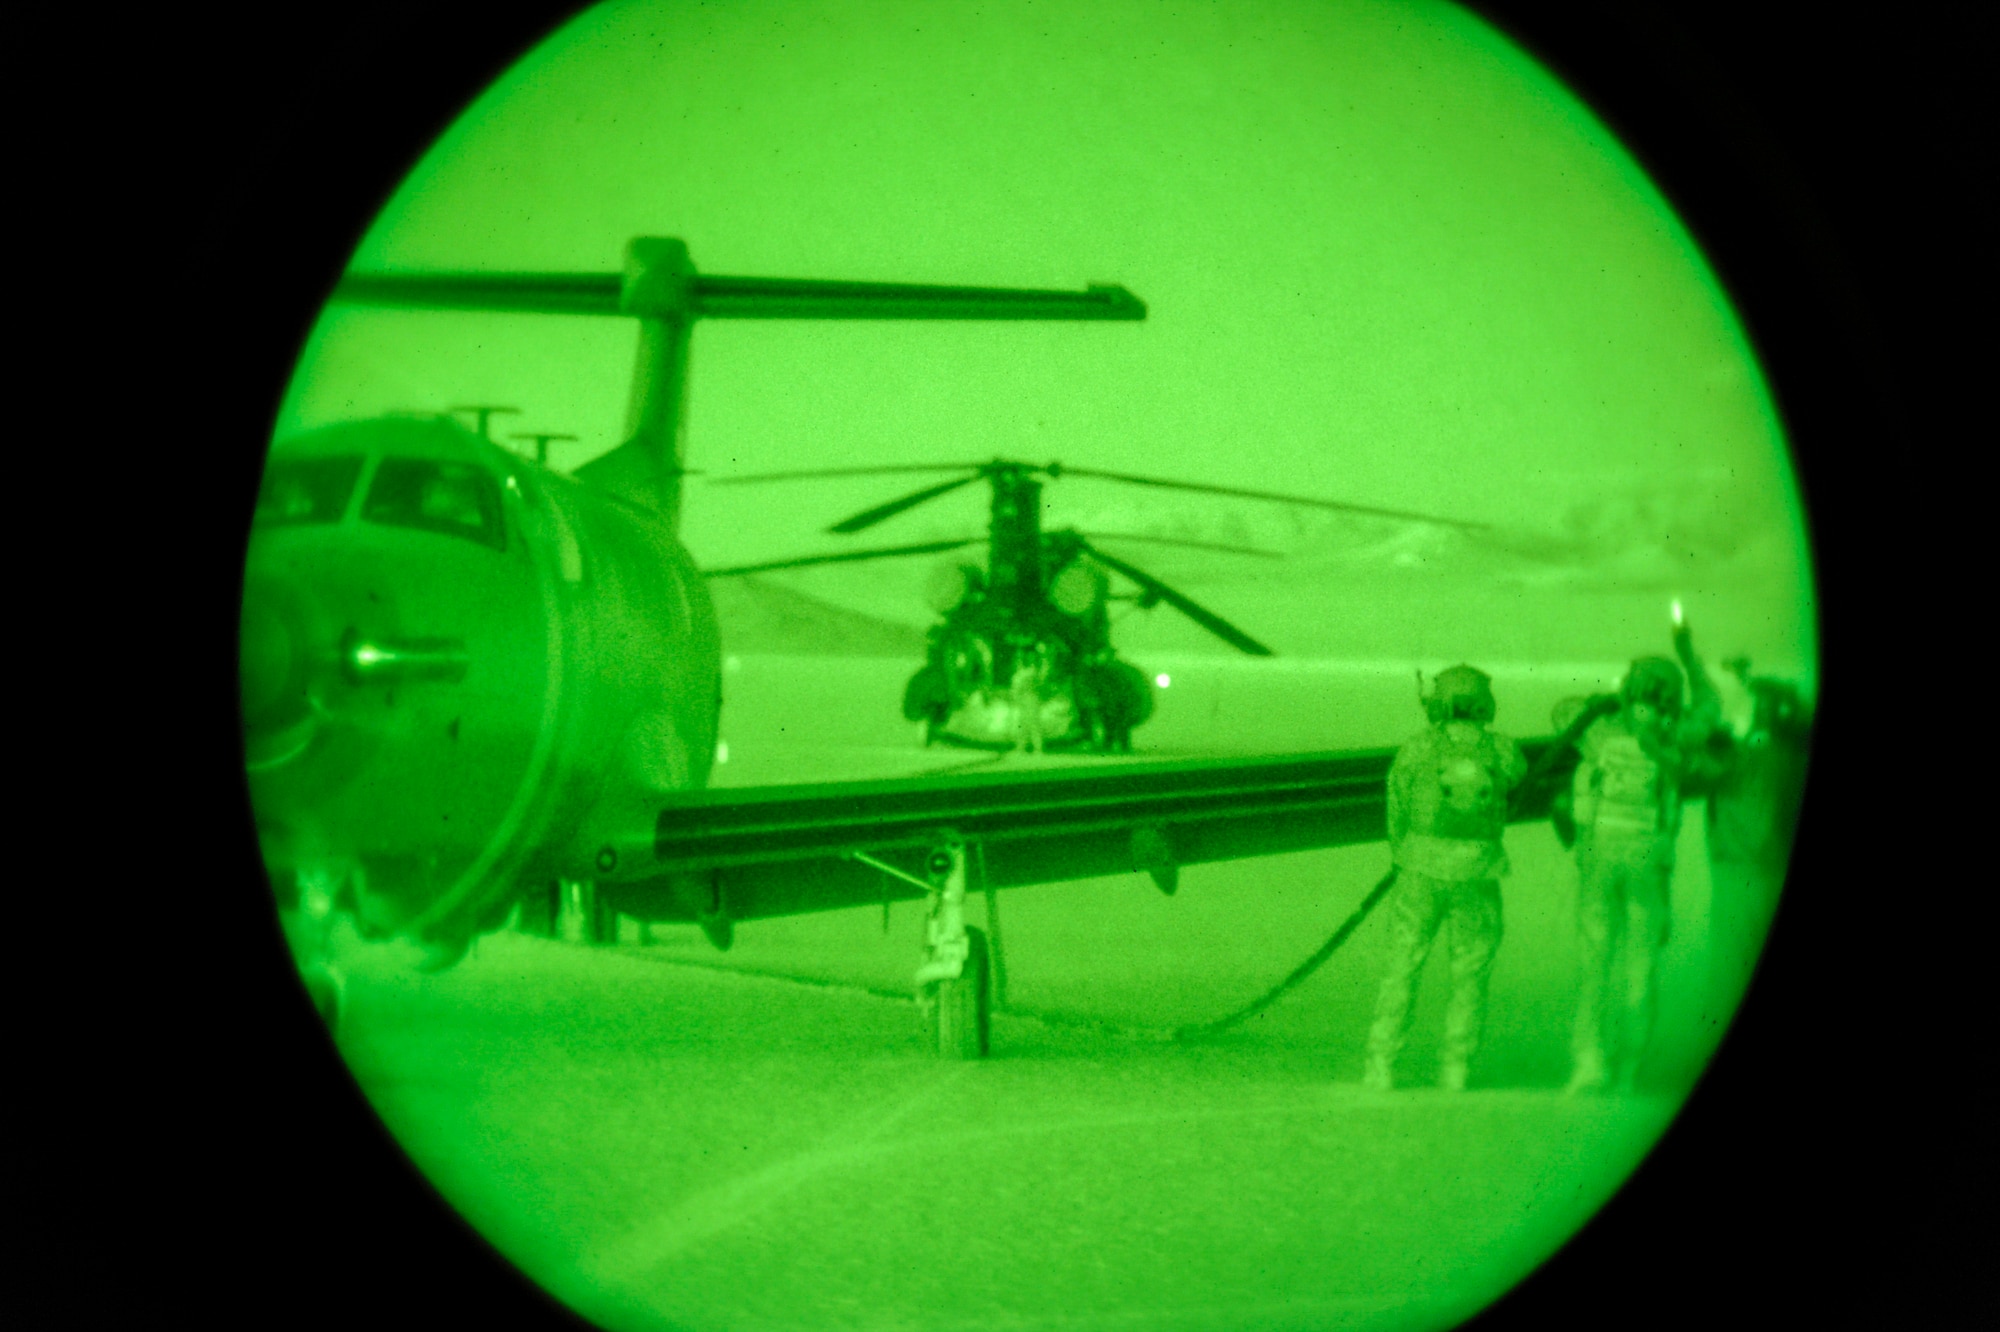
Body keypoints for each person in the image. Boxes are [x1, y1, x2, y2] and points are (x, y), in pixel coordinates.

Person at [1560, 649, 1728, 1094]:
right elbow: (1710, 708)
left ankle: (1588, 1062)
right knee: (1641, 968)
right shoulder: (1677, 741)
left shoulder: (1601, 734)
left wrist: (1611, 701)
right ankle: (1629, 1072)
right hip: (1650, 862)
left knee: (1595, 964)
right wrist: (1691, 657)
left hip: (1599, 855)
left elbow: (1564, 714)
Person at [1363, 665, 1527, 1092]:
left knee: (1401, 968)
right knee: (1470, 973)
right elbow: (1517, 777)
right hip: (1478, 872)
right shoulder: (1503, 750)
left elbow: (1395, 808)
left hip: (1419, 871)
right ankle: (1456, 1066)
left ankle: (1380, 1062)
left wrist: (1404, 855)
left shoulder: (1416, 748)